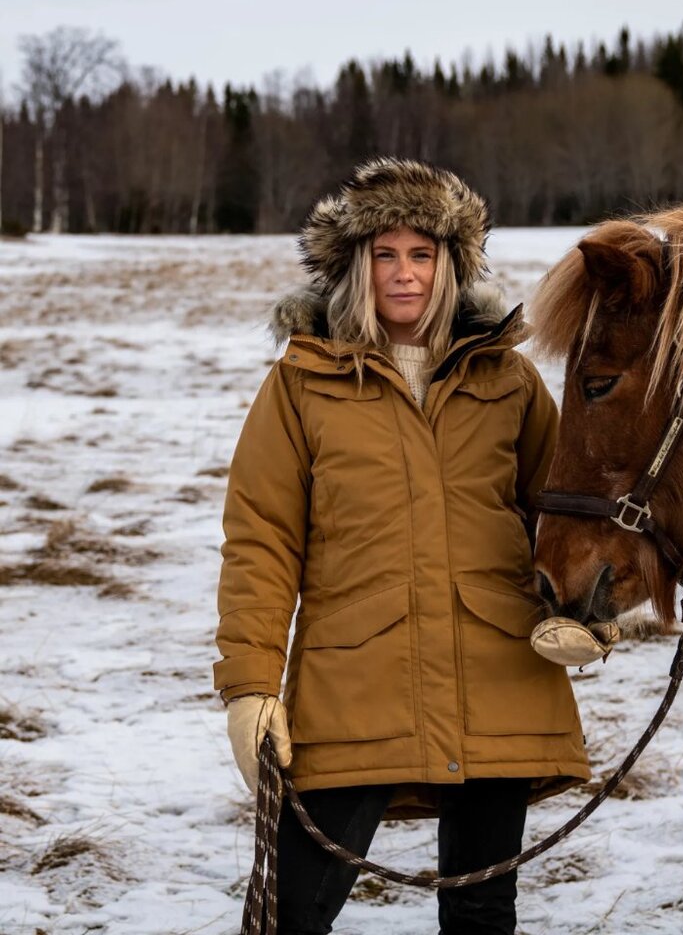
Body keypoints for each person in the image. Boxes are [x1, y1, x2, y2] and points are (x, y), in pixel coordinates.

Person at [213, 157, 590, 935]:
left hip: (499, 673)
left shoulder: (510, 380)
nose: (405, 274)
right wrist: (250, 685)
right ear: (356, 265)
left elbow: (560, 514)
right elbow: (261, 540)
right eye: (385, 254)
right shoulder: (301, 382)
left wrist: (594, 611)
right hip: (356, 680)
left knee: (483, 909)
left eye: (423, 255)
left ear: (451, 265)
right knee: (292, 910)